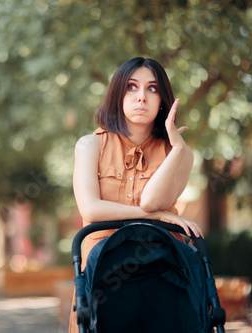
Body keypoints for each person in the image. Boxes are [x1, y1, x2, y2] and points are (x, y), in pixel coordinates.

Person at [69, 57, 203, 332]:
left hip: (161, 275)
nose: (142, 97)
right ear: (118, 93)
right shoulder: (90, 145)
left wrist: (177, 150)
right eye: (132, 87)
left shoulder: (179, 153)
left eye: (152, 89)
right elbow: (91, 211)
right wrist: (157, 216)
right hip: (101, 277)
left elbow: (151, 201)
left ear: (163, 99)